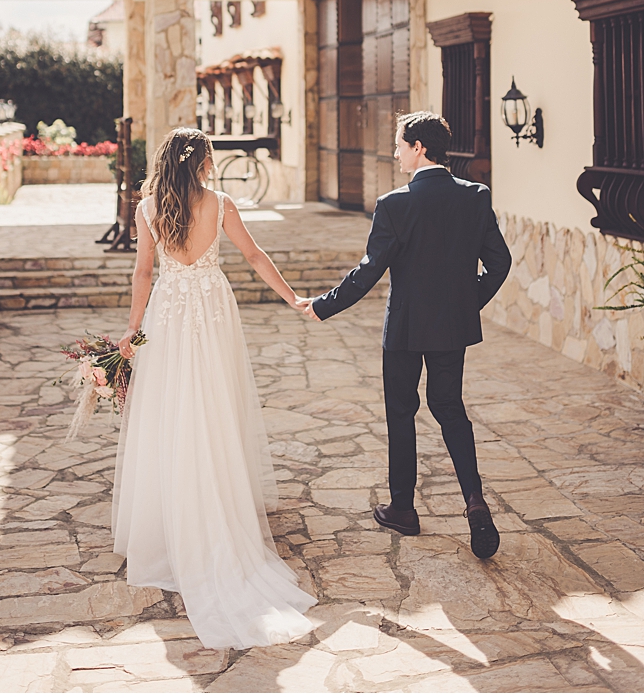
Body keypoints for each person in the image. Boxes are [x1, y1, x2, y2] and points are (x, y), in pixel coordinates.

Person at [111, 126, 316, 650]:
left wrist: (132, 330)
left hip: (170, 311)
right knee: (215, 406)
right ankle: (216, 505)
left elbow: (141, 275)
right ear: (203, 162)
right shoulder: (220, 203)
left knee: (169, 410)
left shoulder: (148, 207)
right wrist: (292, 298)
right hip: (211, 309)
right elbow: (253, 257)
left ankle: (168, 519)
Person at [296, 110, 511, 560]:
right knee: (450, 409)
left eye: (398, 145)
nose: (395, 154)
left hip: (406, 329)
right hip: (452, 327)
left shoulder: (395, 204)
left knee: (401, 412)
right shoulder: (475, 196)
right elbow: (500, 263)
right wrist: (466, 303)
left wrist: (323, 305)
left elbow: (368, 272)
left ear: (418, 147)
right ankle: (474, 502)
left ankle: (403, 509)